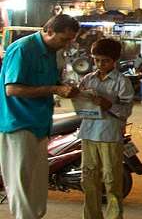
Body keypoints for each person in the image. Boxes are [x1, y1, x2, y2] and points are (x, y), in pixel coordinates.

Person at [0, 14, 80, 219]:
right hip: (18, 122)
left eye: (69, 41)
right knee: (21, 181)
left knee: (37, 181)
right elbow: (12, 89)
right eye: (63, 39)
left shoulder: (52, 52)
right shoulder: (22, 49)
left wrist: (64, 88)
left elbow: (53, 83)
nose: (65, 45)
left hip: (40, 122)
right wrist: (55, 88)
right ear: (49, 31)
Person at [78, 39, 134, 219]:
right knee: (89, 180)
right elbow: (80, 105)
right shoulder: (87, 79)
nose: (100, 64)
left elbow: (126, 110)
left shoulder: (122, 82)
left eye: (105, 61)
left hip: (109, 135)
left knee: (111, 181)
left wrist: (107, 104)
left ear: (114, 60)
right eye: (96, 60)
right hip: (88, 133)